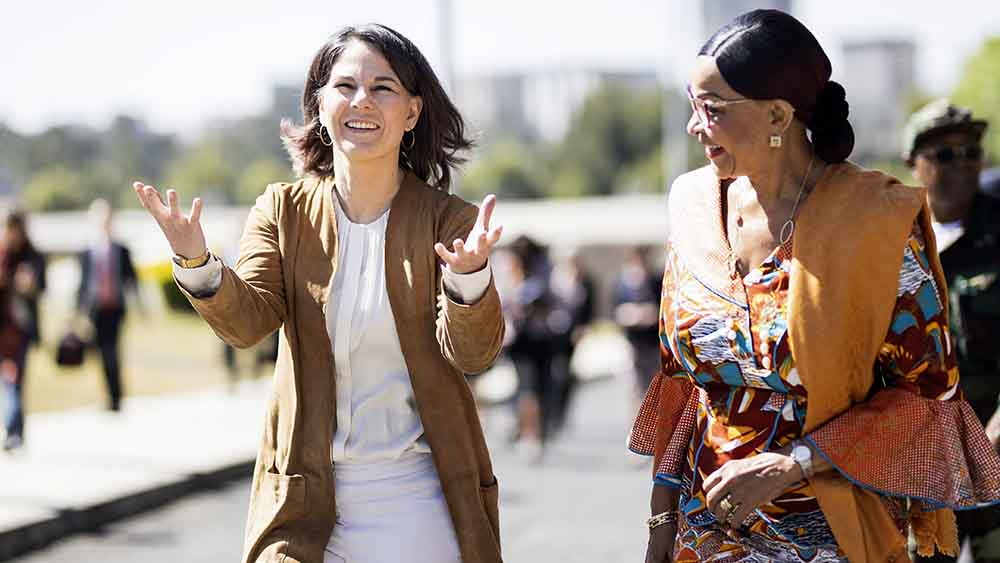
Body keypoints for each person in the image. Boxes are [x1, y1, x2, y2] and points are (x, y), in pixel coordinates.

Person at [629, 10, 1000, 563]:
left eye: (711, 110)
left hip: (842, 535)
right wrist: (661, 516)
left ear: (779, 114)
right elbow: (682, 384)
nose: (693, 126)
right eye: (690, 104)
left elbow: (927, 398)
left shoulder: (876, 221)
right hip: (702, 537)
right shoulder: (690, 205)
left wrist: (795, 463)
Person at [134, 24, 504, 563]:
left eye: (383, 88)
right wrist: (196, 260)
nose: (362, 101)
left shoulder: (450, 221)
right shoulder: (281, 211)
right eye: (345, 86)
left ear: (412, 113)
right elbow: (248, 323)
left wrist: (467, 281)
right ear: (321, 105)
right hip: (302, 503)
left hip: (416, 498)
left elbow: (474, 353)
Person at [903, 99, 1000, 562]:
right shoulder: (893, 239)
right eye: (945, 154)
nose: (963, 164)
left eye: (972, 153)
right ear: (913, 162)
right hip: (922, 464)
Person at [77, 199, 138, 413]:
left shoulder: (122, 250)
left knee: (112, 353)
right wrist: (78, 312)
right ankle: (109, 396)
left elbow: (132, 280)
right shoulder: (87, 251)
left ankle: (116, 398)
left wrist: (140, 307)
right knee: (100, 354)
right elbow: (82, 284)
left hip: (115, 309)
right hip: (95, 310)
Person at [1, 211, 45, 451]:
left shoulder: (32, 256)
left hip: (21, 331)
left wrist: (29, 285)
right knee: (7, 383)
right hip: (2, 329)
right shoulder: (2, 254)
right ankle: (12, 429)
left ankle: (14, 431)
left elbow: (41, 287)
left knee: (15, 382)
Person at [547, 250, 596, 433]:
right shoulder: (555, 277)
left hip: (573, 332)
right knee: (555, 371)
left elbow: (590, 306)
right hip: (553, 332)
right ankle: (552, 411)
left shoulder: (585, 280)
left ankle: (561, 412)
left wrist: (584, 326)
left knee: (566, 372)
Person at [613, 245, 662, 404]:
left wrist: (649, 314)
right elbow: (615, 312)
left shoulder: (655, 282)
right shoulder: (622, 284)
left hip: (653, 342)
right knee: (635, 387)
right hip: (632, 342)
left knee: (654, 385)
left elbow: (662, 309)